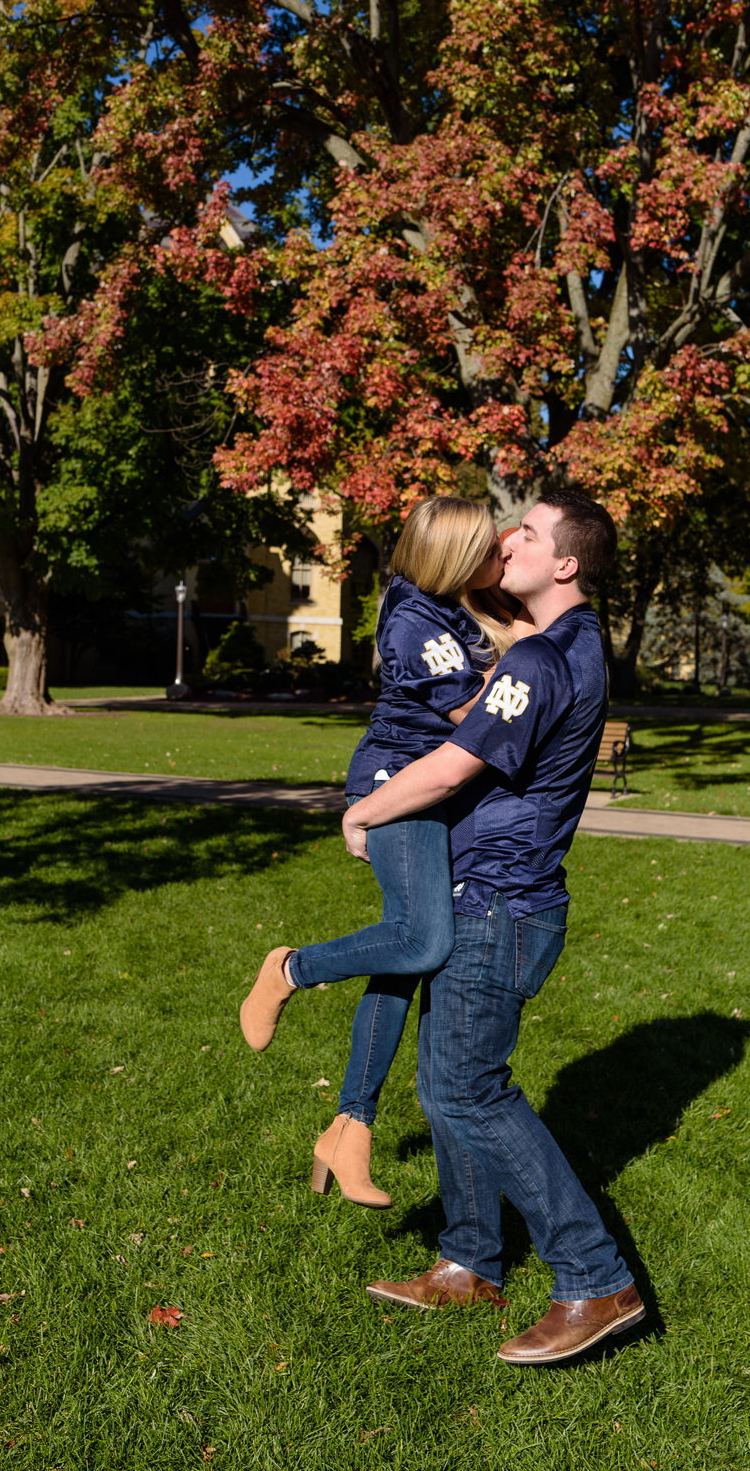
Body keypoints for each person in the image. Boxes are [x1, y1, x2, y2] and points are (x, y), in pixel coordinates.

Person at [336, 490, 642, 1365]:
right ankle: (470, 1259)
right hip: (490, 896)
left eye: (530, 534)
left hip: (500, 902)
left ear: (566, 563)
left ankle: (594, 1278)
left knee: (472, 1088)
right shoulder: (564, 646)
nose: (510, 541)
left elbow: (452, 764)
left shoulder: (542, 660)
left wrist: (363, 815)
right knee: (443, 1085)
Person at [239, 496, 525, 1209]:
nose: (503, 558)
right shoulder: (416, 622)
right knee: (424, 939)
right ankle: (290, 969)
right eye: (492, 549)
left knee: (402, 961)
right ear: (457, 558)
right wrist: (530, 654)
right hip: (398, 784)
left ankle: (348, 1131)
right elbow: (473, 716)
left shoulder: (448, 606)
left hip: (433, 790)